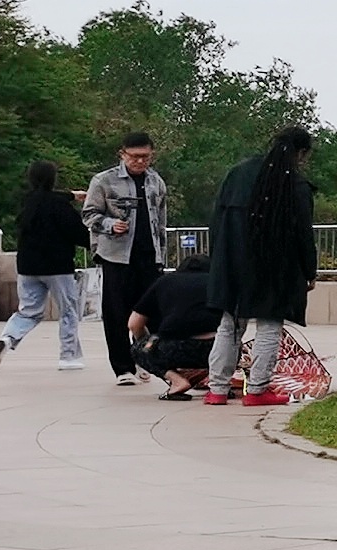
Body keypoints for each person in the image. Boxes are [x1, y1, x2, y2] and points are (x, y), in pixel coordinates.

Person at [204, 129, 316, 407]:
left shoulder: (238, 173)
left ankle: (217, 389)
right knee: (269, 324)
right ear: (301, 154)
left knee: (229, 324)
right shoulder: (294, 184)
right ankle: (256, 390)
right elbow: (303, 234)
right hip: (274, 265)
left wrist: (217, 259)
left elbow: (216, 220)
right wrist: (309, 271)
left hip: (231, 259)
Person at [0, 162, 92, 372]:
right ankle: (68, 357)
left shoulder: (27, 202)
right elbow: (78, 233)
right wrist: (98, 245)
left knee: (28, 312)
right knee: (68, 311)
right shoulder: (60, 207)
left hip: (27, 266)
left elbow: (45, 197)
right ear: (53, 179)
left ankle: (7, 338)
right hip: (58, 267)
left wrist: (72, 195)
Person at [82, 133, 168, 386]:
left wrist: (162, 254)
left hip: (149, 256)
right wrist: (110, 224)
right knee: (116, 314)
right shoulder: (104, 180)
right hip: (116, 256)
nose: (140, 162)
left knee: (152, 314)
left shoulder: (156, 181)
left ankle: (145, 358)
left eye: (145, 157)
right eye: (134, 157)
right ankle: (122, 367)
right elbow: (88, 214)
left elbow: (161, 222)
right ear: (123, 154)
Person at [129, 250, 222, 400]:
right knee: (232, 346)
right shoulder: (218, 282)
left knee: (139, 349)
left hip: (176, 348)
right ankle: (220, 383)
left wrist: (146, 343)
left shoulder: (165, 282)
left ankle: (177, 381)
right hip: (216, 348)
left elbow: (134, 324)